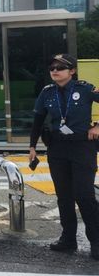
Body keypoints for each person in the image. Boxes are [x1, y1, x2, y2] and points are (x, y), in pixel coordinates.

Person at [28, 54, 99, 261]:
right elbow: (38, 119)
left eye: (60, 67)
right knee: (64, 196)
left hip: (82, 147)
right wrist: (32, 146)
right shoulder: (47, 92)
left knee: (84, 195)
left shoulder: (84, 89)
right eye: (52, 67)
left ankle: (96, 240)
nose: (55, 70)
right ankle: (68, 238)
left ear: (72, 71)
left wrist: (97, 126)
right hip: (57, 148)